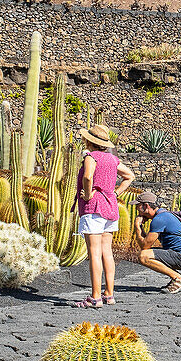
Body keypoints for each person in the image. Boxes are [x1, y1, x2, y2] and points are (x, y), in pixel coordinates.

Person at [72, 123, 135, 308]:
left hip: (94, 208)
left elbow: (88, 177)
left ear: (89, 141)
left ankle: (94, 297)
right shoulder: (112, 159)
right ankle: (109, 294)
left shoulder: (90, 157)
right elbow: (129, 176)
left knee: (94, 252)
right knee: (107, 252)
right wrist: (115, 193)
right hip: (110, 207)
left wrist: (88, 192)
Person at [133, 191, 181, 293]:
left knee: (143, 256)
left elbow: (144, 246)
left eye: (138, 208)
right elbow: (146, 243)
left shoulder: (159, 219)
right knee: (146, 253)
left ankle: (178, 278)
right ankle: (176, 278)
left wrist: (137, 226)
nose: (138, 213)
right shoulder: (163, 214)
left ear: (146, 206)